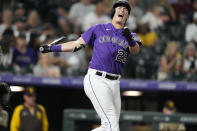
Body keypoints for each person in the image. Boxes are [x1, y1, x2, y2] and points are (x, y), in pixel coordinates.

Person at [40, 0, 142, 130]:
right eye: (119, 8)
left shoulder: (131, 35)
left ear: (127, 16)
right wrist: (51, 49)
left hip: (115, 83)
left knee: (109, 126)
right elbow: (76, 45)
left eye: (126, 10)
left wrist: (130, 40)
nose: (122, 10)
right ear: (114, 12)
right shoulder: (98, 28)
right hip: (97, 79)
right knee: (111, 124)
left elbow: (136, 51)